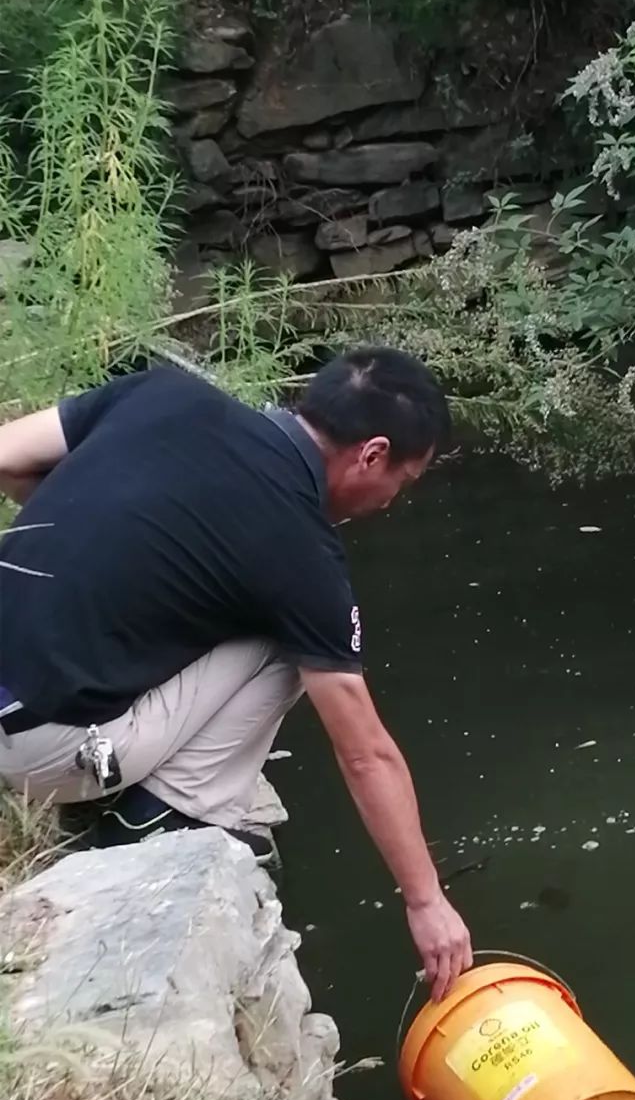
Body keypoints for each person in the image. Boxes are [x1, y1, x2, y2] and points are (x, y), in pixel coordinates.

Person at [0, 347, 474, 1000]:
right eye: (404, 480)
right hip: (40, 749)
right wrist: (426, 901)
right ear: (372, 454)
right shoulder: (301, 551)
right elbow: (366, 753)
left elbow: (9, 456)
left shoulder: (164, 394)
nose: (393, 500)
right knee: (298, 645)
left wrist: (94, 535)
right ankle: (162, 820)